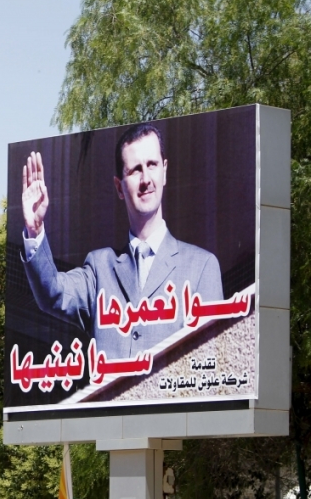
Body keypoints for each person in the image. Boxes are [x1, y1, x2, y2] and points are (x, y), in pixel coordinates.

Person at [20, 124, 223, 360]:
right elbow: (51, 293)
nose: (146, 179)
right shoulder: (100, 268)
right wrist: (34, 230)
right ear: (119, 187)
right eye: (135, 170)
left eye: (152, 165)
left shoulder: (202, 267)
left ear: (165, 171)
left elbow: (212, 359)